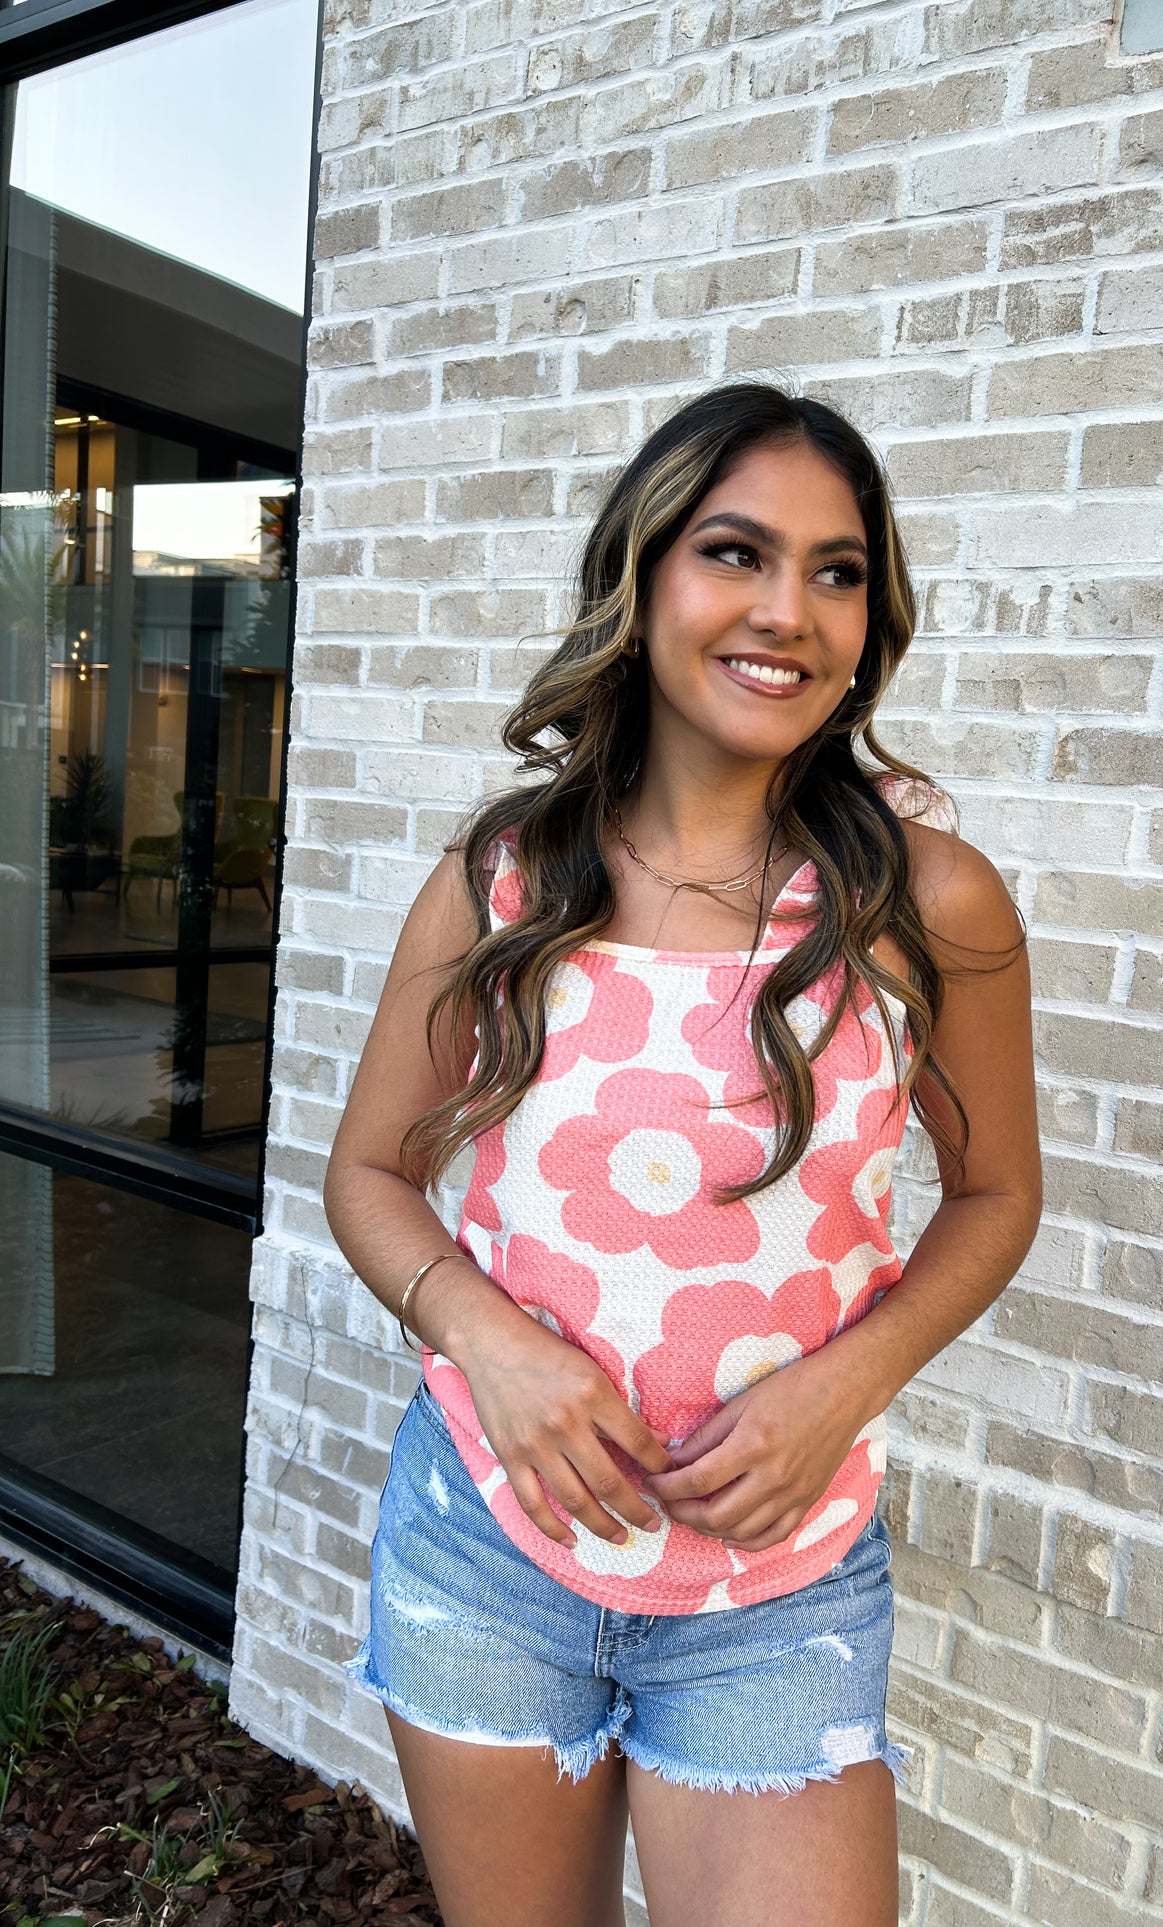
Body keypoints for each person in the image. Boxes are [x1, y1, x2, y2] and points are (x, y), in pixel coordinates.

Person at [325, 382, 1042, 1927]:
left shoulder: (931, 903)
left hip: (776, 1587)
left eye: (838, 570)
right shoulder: (502, 879)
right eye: (737, 553)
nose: (791, 610)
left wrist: (844, 1379)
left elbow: (994, 1199)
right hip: (489, 1549)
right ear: (642, 578)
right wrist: (488, 1343)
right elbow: (369, 1177)